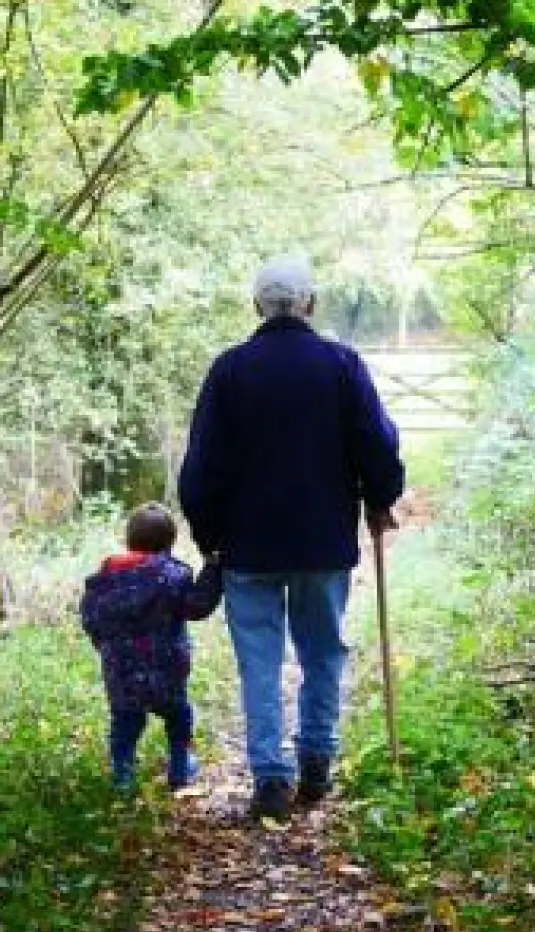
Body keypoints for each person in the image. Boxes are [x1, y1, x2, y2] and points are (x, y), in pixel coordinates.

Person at [179, 254, 405, 822]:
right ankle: (316, 762)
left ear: (258, 305)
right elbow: (376, 443)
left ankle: (270, 780)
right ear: (310, 303)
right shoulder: (341, 364)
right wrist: (381, 497)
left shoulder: (229, 371)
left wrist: (210, 540)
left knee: (259, 662)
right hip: (323, 541)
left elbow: (200, 469)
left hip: (248, 548)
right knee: (323, 651)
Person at [79, 502, 224, 791]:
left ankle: (123, 775)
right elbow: (196, 606)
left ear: (129, 539)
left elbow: (91, 618)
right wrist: (213, 571)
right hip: (167, 667)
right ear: (170, 542)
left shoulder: (104, 580)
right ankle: (180, 768)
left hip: (120, 670)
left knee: (125, 721)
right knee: (178, 716)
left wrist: (104, 646)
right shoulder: (173, 576)